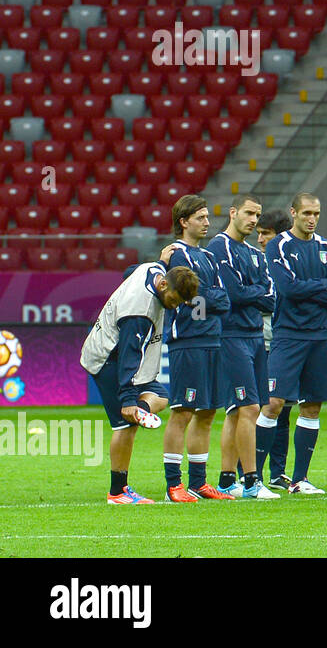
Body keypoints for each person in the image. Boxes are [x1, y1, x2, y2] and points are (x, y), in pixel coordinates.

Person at [82, 262, 198, 503]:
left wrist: (164, 260)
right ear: (164, 284)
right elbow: (128, 355)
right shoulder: (139, 313)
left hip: (121, 356)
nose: (174, 306)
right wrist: (127, 399)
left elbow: (128, 271)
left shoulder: (152, 268)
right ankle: (117, 492)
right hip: (107, 358)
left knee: (161, 396)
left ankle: (140, 412)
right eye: (174, 300)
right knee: (125, 426)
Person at [257, 192, 327, 494]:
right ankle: (254, 479)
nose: (312, 219)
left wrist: (307, 288)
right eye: (307, 213)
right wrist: (320, 285)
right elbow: (286, 288)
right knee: (273, 403)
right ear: (293, 213)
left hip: (321, 335)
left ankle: (299, 479)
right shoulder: (279, 245)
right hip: (289, 334)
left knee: (312, 406)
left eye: (316, 214)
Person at [160, 195, 233, 502]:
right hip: (188, 340)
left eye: (207, 217)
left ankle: (198, 483)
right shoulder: (178, 255)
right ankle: (173, 485)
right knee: (183, 412)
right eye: (201, 217)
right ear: (183, 222)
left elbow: (223, 300)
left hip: (212, 339)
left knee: (207, 412)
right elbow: (192, 294)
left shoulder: (209, 257)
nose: (207, 222)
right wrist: (207, 297)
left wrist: (208, 297)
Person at [209, 194, 280, 499]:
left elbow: (271, 295)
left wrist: (252, 293)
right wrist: (255, 292)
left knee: (238, 411)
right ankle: (251, 481)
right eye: (249, 213)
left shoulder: (253, 252)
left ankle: (227, 480)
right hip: (231, 335)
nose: (253, 220)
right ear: (233, 212)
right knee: (249, 407)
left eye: (257, 215)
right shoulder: (219, 246)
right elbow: (233, 293)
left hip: (253, 336)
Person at [254, 208, 295, 489]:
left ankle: (277, 472)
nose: (259, 239)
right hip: (259, 345)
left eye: (265, 234)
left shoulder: (291, 262)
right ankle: (250, 470)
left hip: (285, 343)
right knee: (257, 409)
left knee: (284, 410)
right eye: (258, 233)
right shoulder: (255, 262)